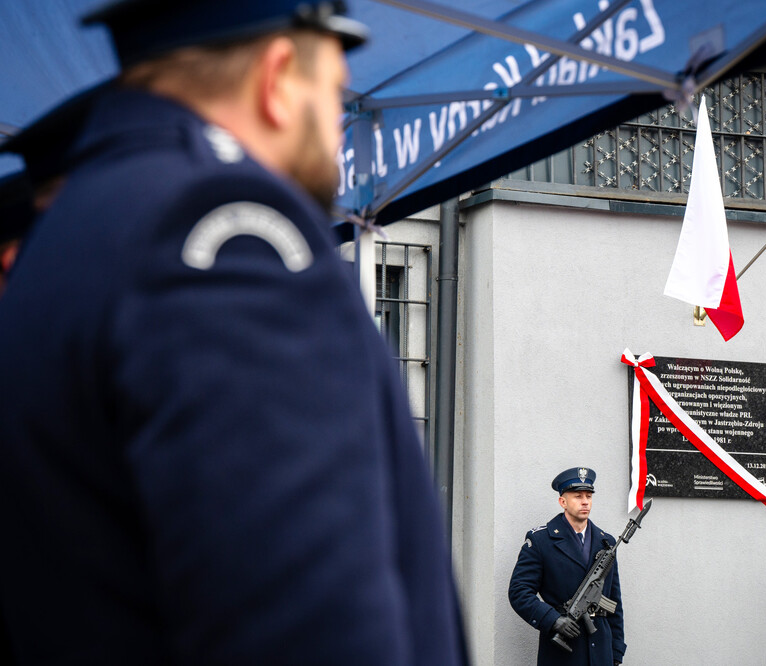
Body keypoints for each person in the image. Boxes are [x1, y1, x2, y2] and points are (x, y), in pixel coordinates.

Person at [0, 1, 467, 663]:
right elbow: (306, 625)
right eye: (332, 94)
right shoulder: (226, 229)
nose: (336, 130)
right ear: (277, 77)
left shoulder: (71, 231)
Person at [509, 467, 626, 665]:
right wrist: (552, 619)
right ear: (562, 501)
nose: (585, 501)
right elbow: (519, 592)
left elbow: (613, 601)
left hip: (601, 651)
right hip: (563, 651)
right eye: (577, 496)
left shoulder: (606, 542)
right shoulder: (541, 540)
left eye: (589, 496)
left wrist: (615, 651)